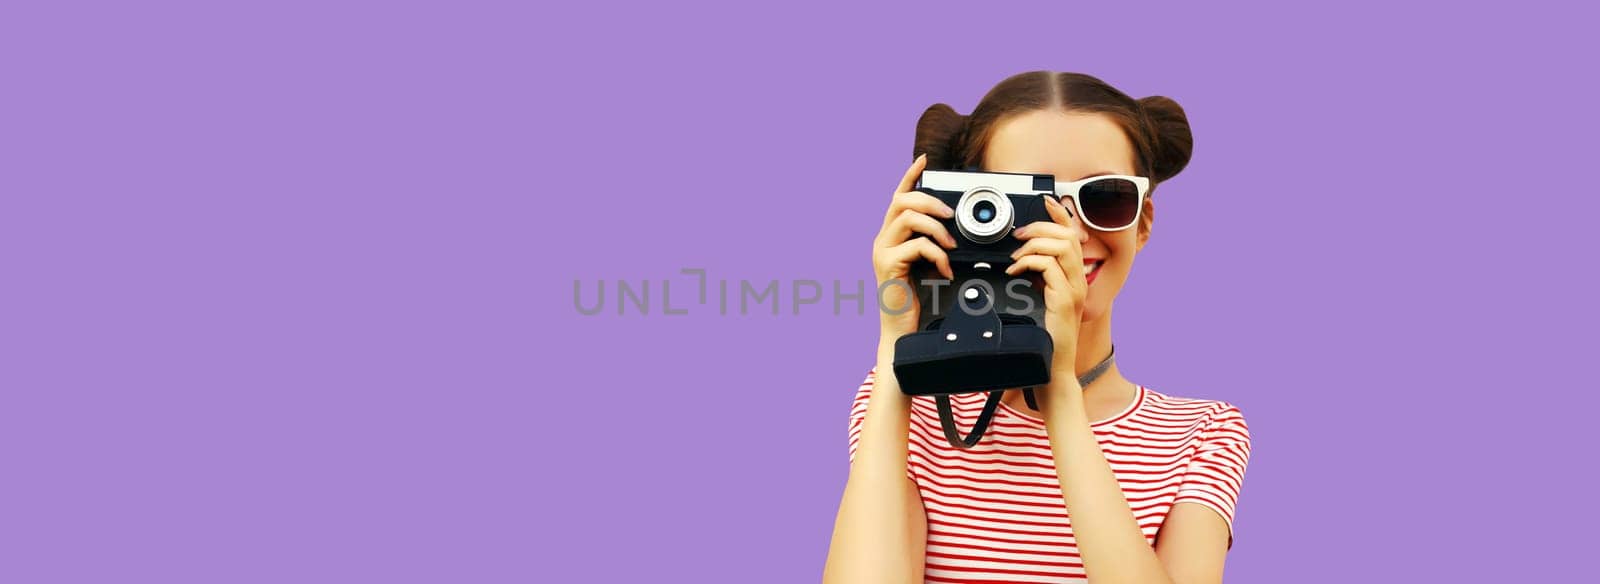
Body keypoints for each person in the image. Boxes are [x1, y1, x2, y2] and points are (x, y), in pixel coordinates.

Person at [822, 71, 1252, 584]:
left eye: (1105, 197)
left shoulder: (1202, 435)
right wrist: (900, 337)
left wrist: (1058, 386)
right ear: (964, 215)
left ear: (1143, 222)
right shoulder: (904, 409)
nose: (1067, 233)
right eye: (1028, 200)